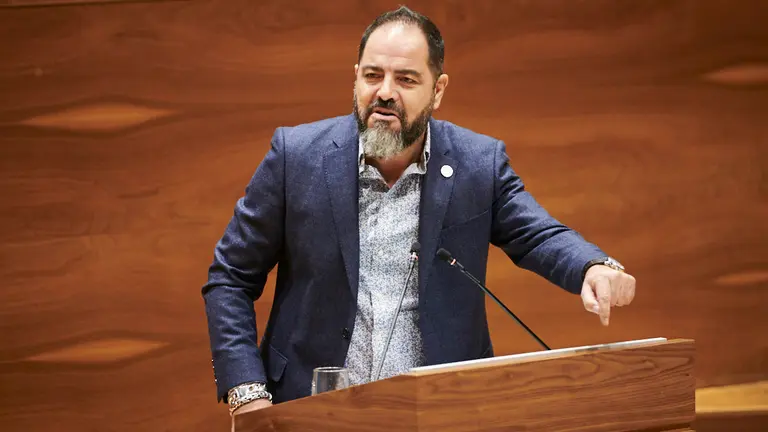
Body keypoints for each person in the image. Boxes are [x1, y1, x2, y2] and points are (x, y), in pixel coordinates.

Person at [202, 6, 636, 416]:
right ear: (355, 79)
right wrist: (247, 393)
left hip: (441, 412)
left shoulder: (476, 163)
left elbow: (538, 234)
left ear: (438, 89)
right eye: (373, 75)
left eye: (406, 79)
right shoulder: (296, 158)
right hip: (311, 409)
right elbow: (230, 278)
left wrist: (593, 267)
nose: (385, 93)